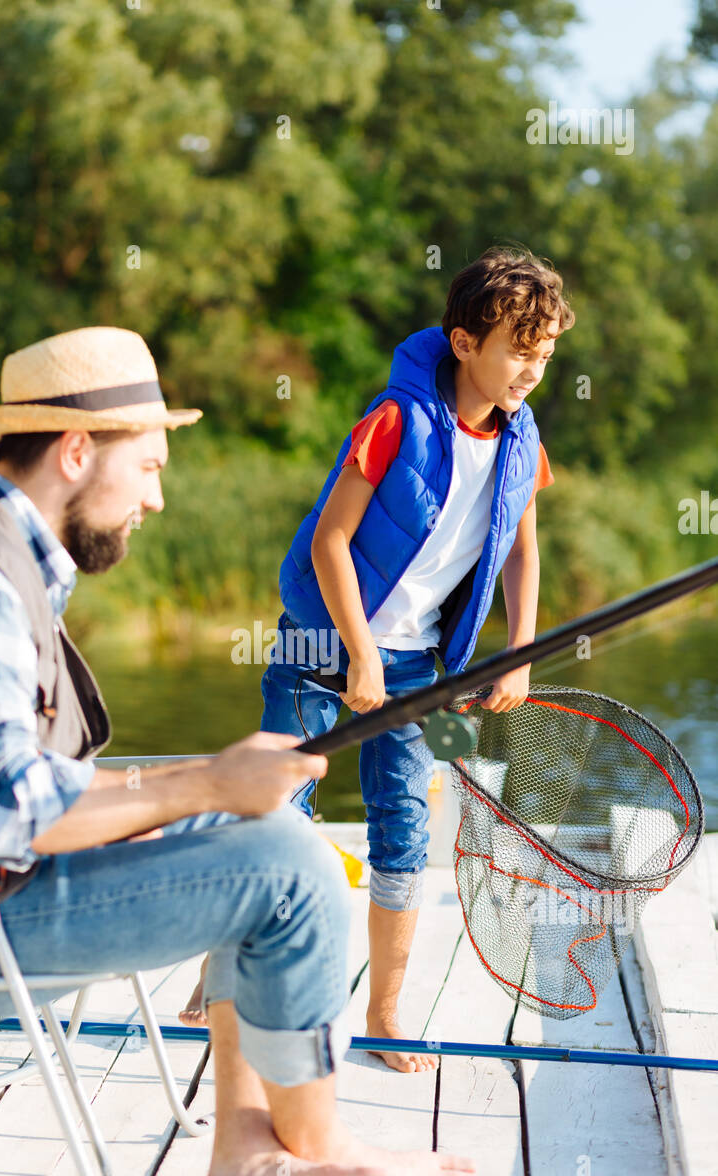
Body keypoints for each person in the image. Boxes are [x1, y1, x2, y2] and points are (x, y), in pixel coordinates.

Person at [0, 326, 477, 1176]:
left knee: (270, 839)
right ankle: (318, 1145)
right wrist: (204, 785)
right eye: (146, 467)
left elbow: (9, 785)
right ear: (76, 452)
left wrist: (195, 793)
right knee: (289, 873)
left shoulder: (6, 561)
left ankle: (246, 1160)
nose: (157, 496)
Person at [256, 247, 574, 1073]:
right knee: (279, 808)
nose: (531, 371)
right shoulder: (394, 421)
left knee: (404, 830)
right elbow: (330, 541)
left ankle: (387, 1013)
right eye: (518, 351)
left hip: (416, 666)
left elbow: (521, 555)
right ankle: (234, 986)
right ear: (465, 343)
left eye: (544, 356)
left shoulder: (521, 440)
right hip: (322, 644)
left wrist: (519, 655)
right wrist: (358, 652)